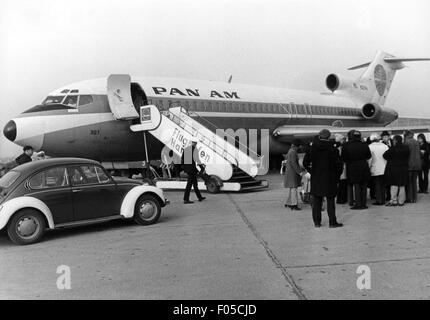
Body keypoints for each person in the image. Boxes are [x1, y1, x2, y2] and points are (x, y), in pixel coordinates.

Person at [303, 129, 343, 228]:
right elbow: (339, 165)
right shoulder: (333, 149)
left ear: (319, 136)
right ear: (329, 137)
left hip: (317, 178)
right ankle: (332, 222)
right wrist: (337, 176)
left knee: (316, 201)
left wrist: (312, 172)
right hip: (330, 178)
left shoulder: (312, 148)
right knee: (330, 201)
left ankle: (317, 222)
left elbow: (305, 163)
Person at [341, 130, 371, 210]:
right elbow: (369, 156)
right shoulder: (364, 145)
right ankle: (363, 203)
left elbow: (343, 158)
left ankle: (358, 204)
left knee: (356, 185)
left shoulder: (346, 145)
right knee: (364, 185)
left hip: (352, 167)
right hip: (364, 166)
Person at [383, 135, 410, 206]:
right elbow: (408, 156)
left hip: (394, 169)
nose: (393, 141)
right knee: (402, 185)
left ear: (396, 141)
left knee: (394, 184)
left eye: (394, 140)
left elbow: (384, 155)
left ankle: (394, 200)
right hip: (404, 168)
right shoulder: (406, 148)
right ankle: (401, 201)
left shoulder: (393, 148)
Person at [280, 139, 303, 210]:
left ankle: (289, 203)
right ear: (296, 146)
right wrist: (299, 172)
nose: (299, 148)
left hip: (290, 172)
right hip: (292, 173)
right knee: (294, 189)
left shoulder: (290, 151)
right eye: (298, 147)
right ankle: (294, 204)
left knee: (292, 189)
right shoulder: (293, 152)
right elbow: (294, 163)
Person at [182, 138, 206, 204]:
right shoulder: (195, 149)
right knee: (189, 184)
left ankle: (199, 197)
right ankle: (186, 199)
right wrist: (202, 168)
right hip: (192, 170)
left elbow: (182, 159)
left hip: (188, 169)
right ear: (195, 143)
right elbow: (197, 160)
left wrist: (185, 168)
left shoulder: (186, 149)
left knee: (195, 184)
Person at [368, 133, 389, 205]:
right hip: (384, 168)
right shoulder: (385, 146)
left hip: (375, 168)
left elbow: (369, 159)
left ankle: (379, 200)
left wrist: (368, 167)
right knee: (383, 185)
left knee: (377, 185)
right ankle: (383, 199)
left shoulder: (370, 147)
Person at [403, 130, 421, 203]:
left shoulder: (406, 142)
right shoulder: (416, 142)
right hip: (417, 165)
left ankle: (409, 198)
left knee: (409, 182)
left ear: (406, 135)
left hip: (409, 165)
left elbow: (405, 154)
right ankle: (414, 198)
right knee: (414, 182)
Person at [334, 134, 348, 204]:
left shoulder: (337, 149)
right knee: (342, 184)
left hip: (340, 169)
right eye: (343, 139)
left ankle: (341, 198)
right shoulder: (340, 149)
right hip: (342, 168)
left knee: (341, 184)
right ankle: (342, 199)